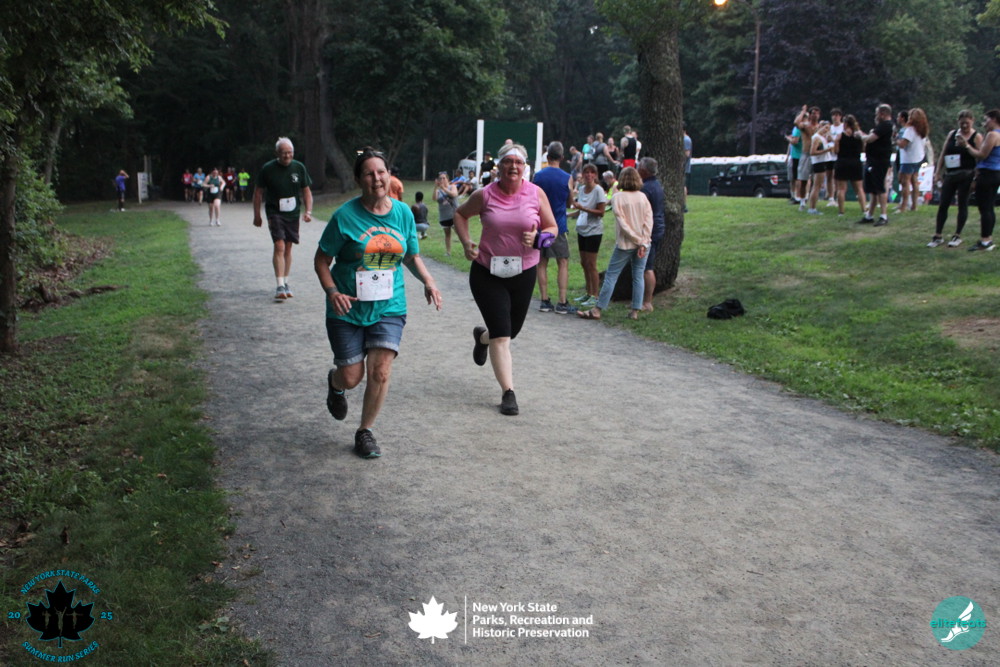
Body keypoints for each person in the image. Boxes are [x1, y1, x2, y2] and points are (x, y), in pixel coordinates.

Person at [315, 147, 442, 458]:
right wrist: (333, 292)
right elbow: (321, 261)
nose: (377, 178)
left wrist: (428, 280)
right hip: (347, 307)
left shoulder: (403, 213)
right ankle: (336, 383)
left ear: (389, 175)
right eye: (369, 174)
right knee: (352, 376)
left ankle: (365, 431)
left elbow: (410, 256)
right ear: (359, 179)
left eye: (381, 172)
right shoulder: (344, 216)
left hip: (389, 305)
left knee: (381, 370)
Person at [452, 143, 558, 416]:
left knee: (510, 331)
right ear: (498, 166)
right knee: (502, 334)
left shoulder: (535, 193)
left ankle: (482, 338)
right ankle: (508, 392)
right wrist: (466, 242)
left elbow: (552, 228)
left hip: (523, 272)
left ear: (525, 167)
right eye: (508, 161)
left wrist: (539, 239)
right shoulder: (484, 195)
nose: (513, 166)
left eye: (518, 162)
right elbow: (460, 214)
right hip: (487, 272)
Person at [577, 167, 652, 322]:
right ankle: (635, 311)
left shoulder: (618, 197)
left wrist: (638, 240)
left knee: (611, 275)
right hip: (643, 244)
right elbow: (648, 221)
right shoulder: (643, 197)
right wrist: (644, 242)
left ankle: (597, 309)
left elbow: (622, 223)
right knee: (638, 276)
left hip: (626, 244)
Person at [253, 137, 314, 300]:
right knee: (279, 245)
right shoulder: (268, 169)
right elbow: (258, 192)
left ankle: (286, 282)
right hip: (275, 212)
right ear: (277, 153)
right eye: (284, 153)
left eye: (290, 152)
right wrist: (257, 215)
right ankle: (279, 285)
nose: (287, 156)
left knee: (288, 247)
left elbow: (306, 191)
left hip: (292, 213)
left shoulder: (299, 167)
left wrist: (308, 211)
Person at [532, 141, 576, 315]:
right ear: (562, 157)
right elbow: (570, 202)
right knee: (562, 262)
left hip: (541, 225)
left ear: (548, 156)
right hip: (559, 225)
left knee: (541, 263)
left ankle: (544, 300)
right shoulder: (567, 177)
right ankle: (562, 302)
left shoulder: (538, 176)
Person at [928, 110, 980, 248]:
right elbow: (944, 152)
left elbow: (980, 157)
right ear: (958, 122)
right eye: (962, 123)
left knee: (962, 203)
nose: (964, 126)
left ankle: (957, 234)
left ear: (972, 121)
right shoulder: (952, 134)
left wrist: (976, 178)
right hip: (951, 173)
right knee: (943, 203)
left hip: (967, 174)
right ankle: (938, 235)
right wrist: (937, 172)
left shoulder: (976, 137)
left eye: (967, 123)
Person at [956, 108, 1000, 252]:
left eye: (986, 120)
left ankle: (985, 240)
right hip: (996, 173)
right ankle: (988, 239)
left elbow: (981, 155)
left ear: (994, 119)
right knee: (990, 207)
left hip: (987, 174)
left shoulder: (993, 134)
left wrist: (966, 145)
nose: (984, 123)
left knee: (985, 208)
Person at [569, 164, 606, 307]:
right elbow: (579, 211)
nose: (589, 175)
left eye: (592, 172)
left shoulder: (598, 190)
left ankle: (595, 295)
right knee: (583, 262)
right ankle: (588, 292)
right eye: (586, 172)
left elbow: (601, 212)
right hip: (582, 230)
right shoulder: (582, 190)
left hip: (594, 231)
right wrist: (567, 215)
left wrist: (583, 208)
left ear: (595, 175)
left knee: (591, 264)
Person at [858, 104, 894, 226]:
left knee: (879, 188)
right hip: (873, 160)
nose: (876, 116)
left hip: (879, 161)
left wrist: (860, 136)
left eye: (877, 113)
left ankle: (883, 215)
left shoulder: (885, 125)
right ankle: (869, 215)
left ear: (882, 114)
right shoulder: (882, 126)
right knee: (872, 190)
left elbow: (870, 139)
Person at [639, 157, 666, 312]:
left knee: (647, 267)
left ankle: (647, 302)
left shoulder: (645, 188)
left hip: (650, 231)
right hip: (658, 227)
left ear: (643, 171)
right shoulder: (657, 185)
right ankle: (642, 300)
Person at [896, 108, 929, 214]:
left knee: (905, 182)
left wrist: (896, 140)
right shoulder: (922, 131)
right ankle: (914, 206)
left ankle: (903, 206)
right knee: (915, 182)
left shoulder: (910, 130)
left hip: (908, 159)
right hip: (918, 158)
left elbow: (903, 145)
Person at [834, 114, 867, 217]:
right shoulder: (859, 135)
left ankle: (841, 211)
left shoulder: (840, 136)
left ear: (846, 124)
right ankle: (864, 209)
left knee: (841, 189)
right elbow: (864, 148)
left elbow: (836, 151)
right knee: (859, 189)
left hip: (842, 162)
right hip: (855, 162)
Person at [806, 122, 833, 215]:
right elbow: (812, 152)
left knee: (817, 186)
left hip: (822, 162)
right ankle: (812, 208)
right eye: (825, 128)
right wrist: (826, 150)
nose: (826, 130)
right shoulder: (816, 138)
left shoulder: (821, 138)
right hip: (818, 163)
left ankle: (813, 207)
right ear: (820, 127)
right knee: (816, 186)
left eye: (828, 128)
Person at [433, 172, 459, 256]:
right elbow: (434, 199)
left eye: (444, 178)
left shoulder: (452, 186)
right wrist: (436, 187)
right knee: (447, 235)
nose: (442, 180)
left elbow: (454, 194)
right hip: (444, 216)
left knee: (460, 233)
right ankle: (448, 252)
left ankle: (468, 248)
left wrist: (444, 188)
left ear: (448, 179)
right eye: (440, 178)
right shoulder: (438, 190)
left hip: (454, 214)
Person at [683, 126, 692, 212]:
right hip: (682, 166)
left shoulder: (686, 140)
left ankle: (684, 205)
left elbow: (687, 154)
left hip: (683, 167)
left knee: (682, 185)